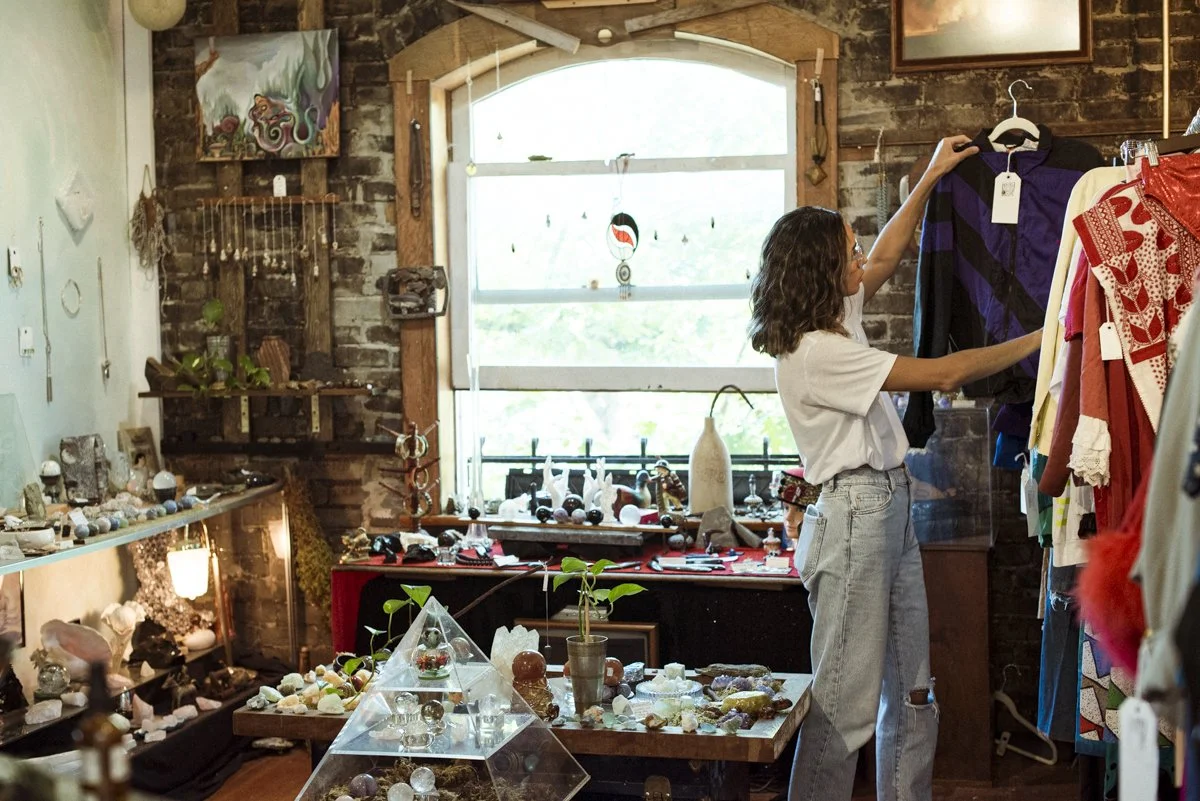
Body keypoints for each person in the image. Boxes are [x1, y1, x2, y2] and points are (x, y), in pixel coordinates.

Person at [748, 135, 1043, 801]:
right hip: (853, 516)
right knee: (843, 707)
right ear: (824, 272)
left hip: (888, 505)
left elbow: (886, 253)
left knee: (913, 689)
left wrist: (932, 176)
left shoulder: (836, 314)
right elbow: (945, 372)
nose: (861, 260)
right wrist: (1046, 334)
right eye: (847, 253)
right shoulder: (815, 352)